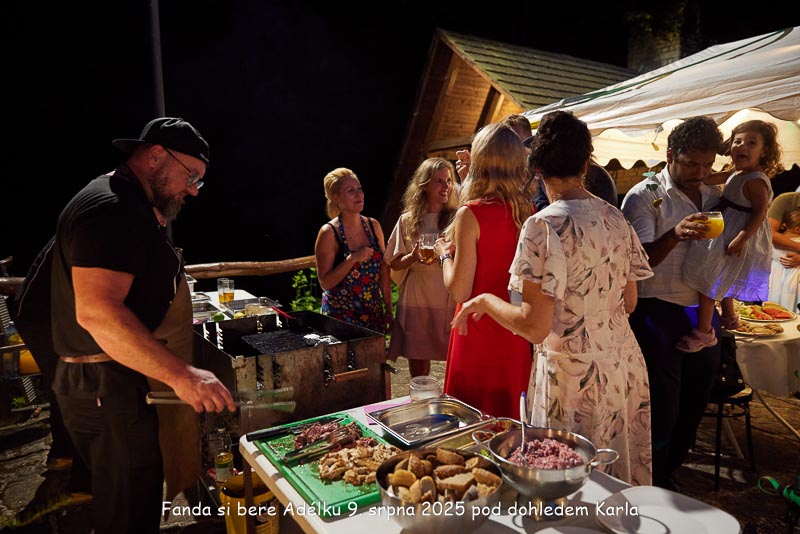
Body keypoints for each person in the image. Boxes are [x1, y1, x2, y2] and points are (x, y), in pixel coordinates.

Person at [49, 117, 236, 534]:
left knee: (130, 502)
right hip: (106, 388)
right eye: (190, 176)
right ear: (155, 156)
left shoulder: (116, 198)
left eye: (199, 181)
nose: (193, 190)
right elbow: (97, 312)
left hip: (105, 384)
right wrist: (183, 375)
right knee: (128, 514)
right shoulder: (112, 210)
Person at [452, 111, 654, 485]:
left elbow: (533, 327)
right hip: (623, 367)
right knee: (614, 482)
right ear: (586, 164)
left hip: (572, 377)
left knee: (567, 486)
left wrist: (483, 301)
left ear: (537, 167)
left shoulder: (543, 224)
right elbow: (629, 303)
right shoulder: (615, 217)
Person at [621, 115, 724, 491]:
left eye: (707, 165)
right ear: (670, 155)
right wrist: (675, 234)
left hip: (701, 312)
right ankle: (652, 476)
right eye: (691, 164)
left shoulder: (713, 197)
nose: (700, 173)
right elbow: (639, 261)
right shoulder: (645, 195)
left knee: (696, 400)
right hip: (657, 311)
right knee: (661, 405)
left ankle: (671, 468)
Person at [433, 122, 533, 419]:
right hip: (515, 331)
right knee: (510, 425)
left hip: (476, 329)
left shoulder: (472, 214)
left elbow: (460, 290)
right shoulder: (529, 213)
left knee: (470, 423)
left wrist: (444, 256)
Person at [677, 120, 781, 351]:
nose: (742, 146)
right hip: (727, 231)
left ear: (764, 151)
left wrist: (742, 237)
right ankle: (729, 316)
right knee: (723, 276)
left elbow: (760, 212)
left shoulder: (755, 180)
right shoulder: (738, 172)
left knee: (709, 281)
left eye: (751, 143)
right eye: (737, 141)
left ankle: (704, 332)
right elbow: (708, 179)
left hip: (738, 235)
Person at [385, 158, 458, 377]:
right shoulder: (407, 220)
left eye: (448, 181)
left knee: (454, 355)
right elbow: (393, 262)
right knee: (418, 358)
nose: (446, 186)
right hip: (416, 294)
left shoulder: (457, 218)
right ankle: (420, 395)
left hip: (447, 292)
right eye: (439, 181)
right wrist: (413, 257)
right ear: (424, 185)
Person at [315, 168, 392, 333]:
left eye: (359, 189)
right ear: (336, 197)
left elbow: (384, 271)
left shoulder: (373, 226)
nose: (359, 195)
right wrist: (352, 259)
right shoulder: (329, 233)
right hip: (341, 317)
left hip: (372, 314)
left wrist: (389, 310)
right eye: (350, 191)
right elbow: (325, 283)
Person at [455, 114, 532, 183]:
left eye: (517, 142)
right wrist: (468, 178)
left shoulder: (535, 171)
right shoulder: (499, 173)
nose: (513, 148)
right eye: (507, 143)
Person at [768, 209, 800, 310]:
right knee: (790, 303)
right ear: (797, 229)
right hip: (794, 276)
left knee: (773, 301)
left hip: (774, 275)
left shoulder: (776, 241)